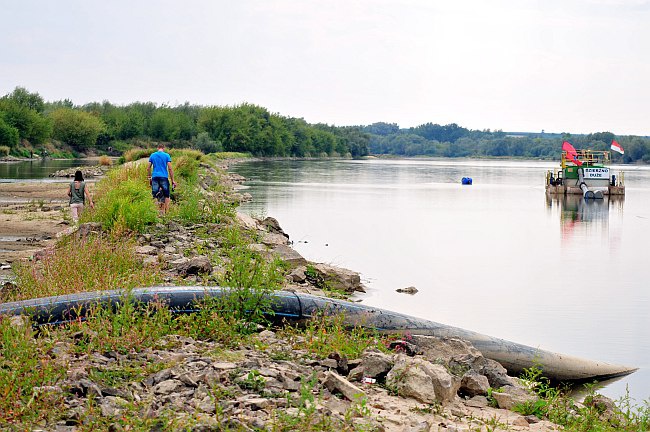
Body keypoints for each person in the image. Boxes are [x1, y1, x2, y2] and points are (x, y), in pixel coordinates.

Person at [147, 143, 177, 213]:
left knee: (155, 194)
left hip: (154, 177)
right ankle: (166, 212)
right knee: (166, 194)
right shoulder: (167, 155)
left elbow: (148, 168)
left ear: (158, 148)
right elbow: (170, 168)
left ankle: (156, 211)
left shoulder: (152, 155)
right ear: (163, 148)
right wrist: (173, 180)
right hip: (164, 177)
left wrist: (149, 178)